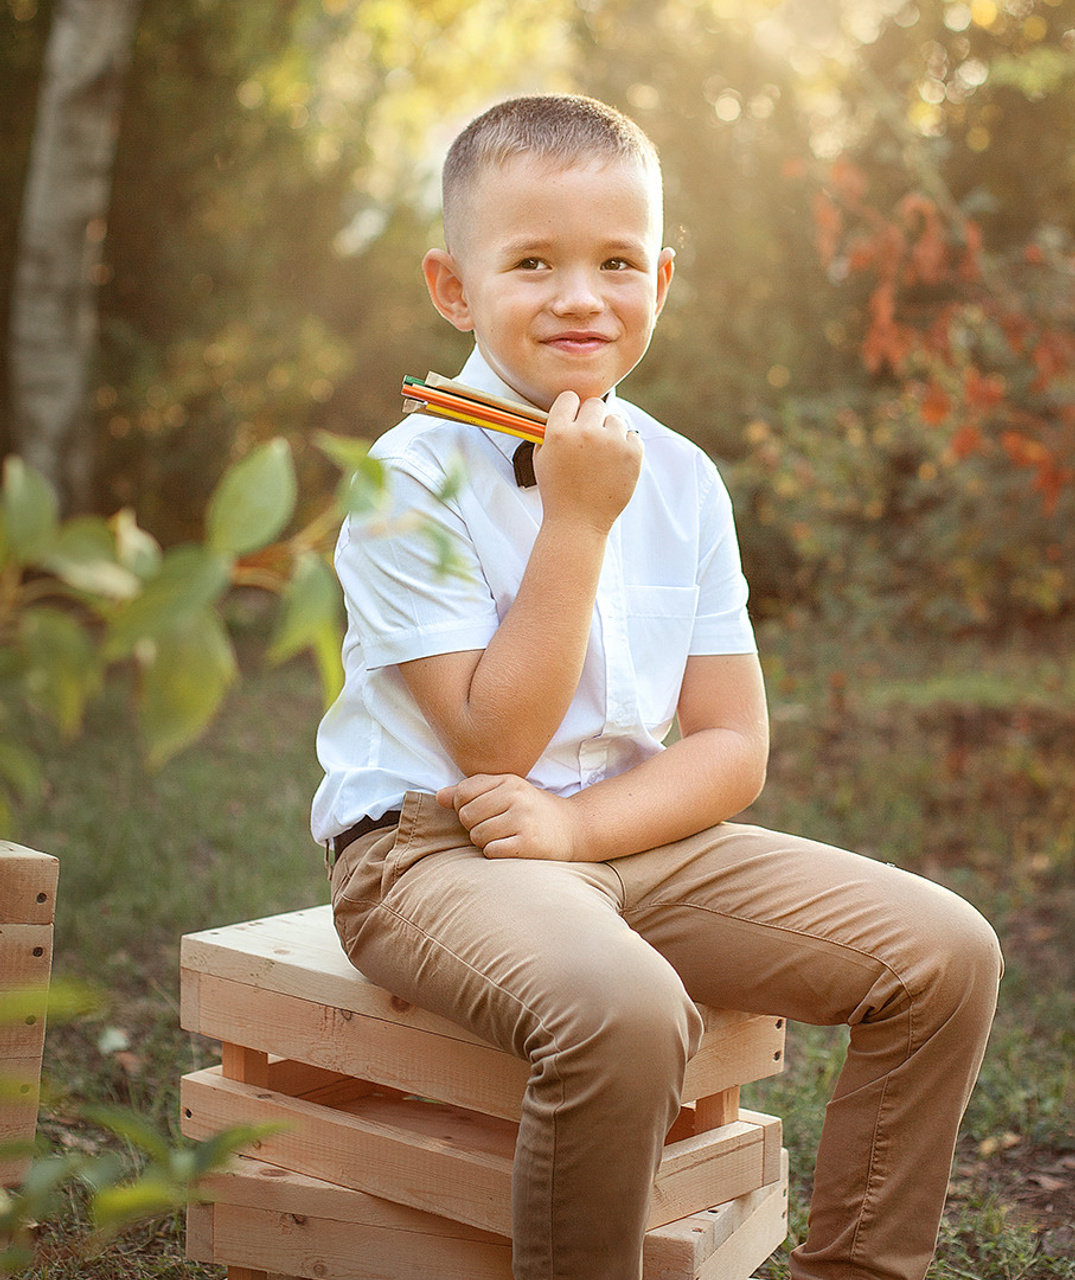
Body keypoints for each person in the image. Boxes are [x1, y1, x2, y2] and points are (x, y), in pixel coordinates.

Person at [312, 93, 1002, 1280]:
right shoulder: (405, 479)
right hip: (433, 851)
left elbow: (730, 745)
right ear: (452, 286)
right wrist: (574, 517)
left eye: (615, 261)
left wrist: (584, 825)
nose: (580, 294)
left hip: (630, 832)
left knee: (945, 953)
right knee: (625, 1011)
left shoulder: (680, 476)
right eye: (533, 261)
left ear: (661, 281)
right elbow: (490, 742)